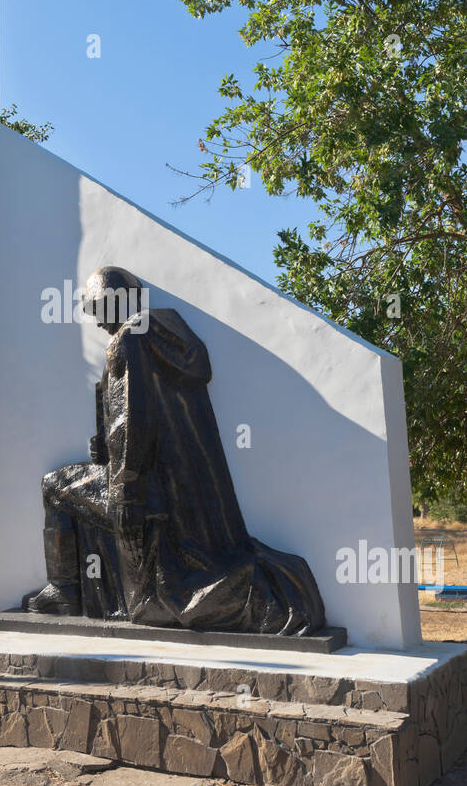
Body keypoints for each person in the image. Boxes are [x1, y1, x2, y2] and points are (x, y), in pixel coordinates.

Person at [25, 266, 326, 636]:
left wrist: (126, 493)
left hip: (142, 491)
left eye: (95, 306)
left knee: (53, 486)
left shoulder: (126, 341)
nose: (94, 318)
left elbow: (132, 420)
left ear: (113, 301)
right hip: (173, 492)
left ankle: (66, 592)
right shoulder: (166, 333)